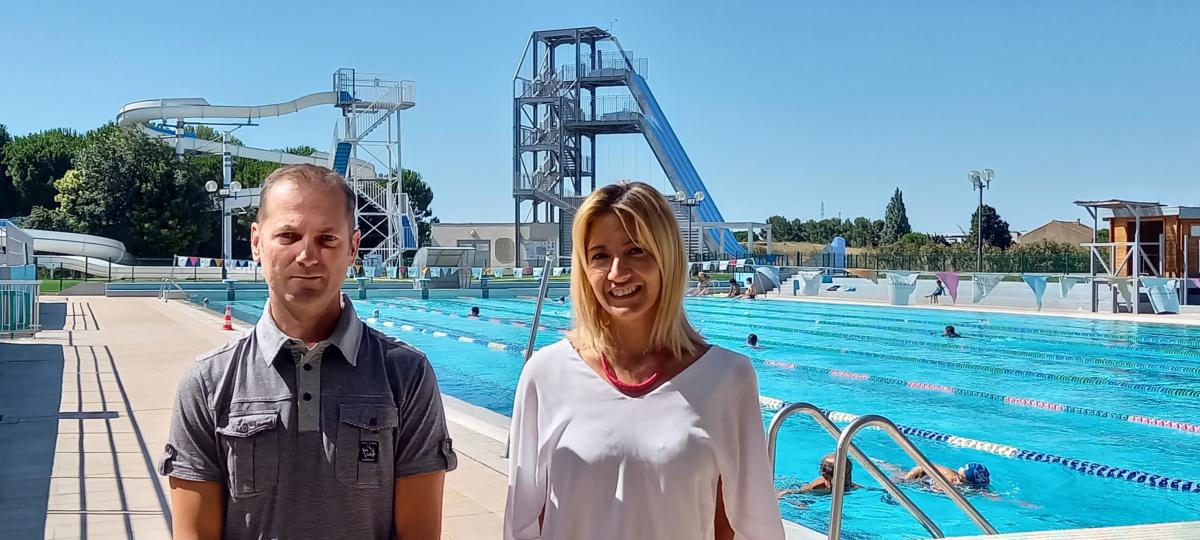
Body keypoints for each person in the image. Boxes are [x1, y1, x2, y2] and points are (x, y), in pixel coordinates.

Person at [160, 164, 456, 539]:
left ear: (353, 247)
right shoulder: (209, 382)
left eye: (327, 239)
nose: (307, 255)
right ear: (256, 243)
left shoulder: (406, 375)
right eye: (288, 235)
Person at [505, 181, 785, 540]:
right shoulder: (545, 374)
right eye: (600, 255)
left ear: (666, 258)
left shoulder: (728, 378)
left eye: (636, 251)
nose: (617, 272)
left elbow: (754, 525)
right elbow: (521, 524)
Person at [778, 453, 862, 496]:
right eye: (842, 476)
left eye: (848, 474)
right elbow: (793, 492)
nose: (845, 480)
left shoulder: (850, 486)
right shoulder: (818, 486)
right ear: (826, 477)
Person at [904, 462, 990, 490]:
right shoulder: (949, 476)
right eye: (957, 474)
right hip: (919, 478)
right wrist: (905, 481)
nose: (955, 478)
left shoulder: (977, 489)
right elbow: (922, 467)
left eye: (960, 478)